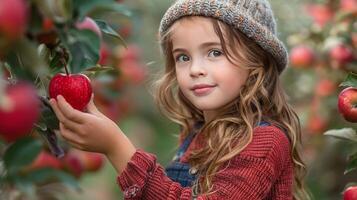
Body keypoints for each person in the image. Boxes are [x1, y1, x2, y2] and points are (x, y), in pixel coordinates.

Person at [49, 0, 311, 199]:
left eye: (214, 52)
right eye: (183, 57)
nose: (195, 69)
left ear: (257, 62)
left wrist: (117, 148)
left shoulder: (265, 142)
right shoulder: (199, 133)